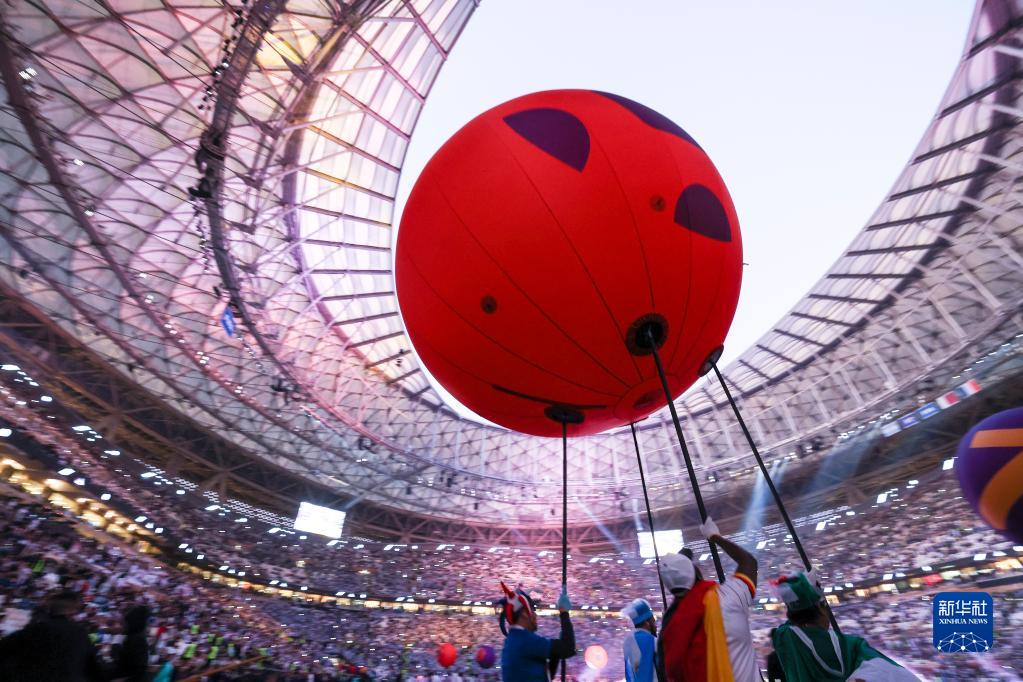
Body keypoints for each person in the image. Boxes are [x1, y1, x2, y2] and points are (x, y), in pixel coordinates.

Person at [656, 516, 759, 682]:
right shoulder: (729, 597)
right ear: (696, 573)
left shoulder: (669, 632)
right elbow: (749, 562)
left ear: (669, 588)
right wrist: (714, 536)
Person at [770, 571, 919, 681]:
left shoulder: (784, 638)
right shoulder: (849, 646)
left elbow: (794, 620)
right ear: (821, 608)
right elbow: (889, 673)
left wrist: (803, 593)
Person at [0, 589, 106, 682]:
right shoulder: (81, 634)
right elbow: (94, 669)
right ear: (74, 611)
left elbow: (5, 647)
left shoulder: (39, 628)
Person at [498, 581, 575, 681]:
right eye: (533, 610)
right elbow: (568, 649)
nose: (535, 615)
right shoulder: (525, 640)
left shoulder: (512, 639)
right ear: (525, 614)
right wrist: (564, 612)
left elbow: (544, 676)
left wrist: (556, 650)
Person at [622, 598, 657, 682]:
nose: (655, 625)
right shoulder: (653, 641)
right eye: (653, 620)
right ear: (646, 622)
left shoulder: (627, 642)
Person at [114, 604, 151, 682]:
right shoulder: (130, 638)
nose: (122, 626)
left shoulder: (137, 640)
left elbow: (139, 671)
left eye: (124, 623)